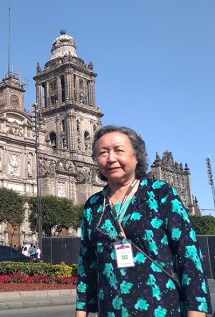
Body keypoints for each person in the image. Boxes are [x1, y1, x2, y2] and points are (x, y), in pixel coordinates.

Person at [76, 125, 212, 317]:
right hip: (111, 309)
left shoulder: (160, 193)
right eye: (103, 152)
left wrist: (197, 310)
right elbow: (87, 262)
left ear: (136, 156)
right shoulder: (94, 205)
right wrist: (82, 310)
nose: (111, 158)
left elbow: (188, 253)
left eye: (119, 150)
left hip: (161, 307)